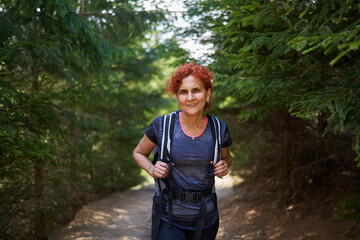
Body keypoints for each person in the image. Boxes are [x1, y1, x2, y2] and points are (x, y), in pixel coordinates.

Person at [132, 62, 232, 240]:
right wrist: (151, 169)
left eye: (196, 90)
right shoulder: (162, 125)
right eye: (183, 92)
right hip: (168, 217)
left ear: (208, 94)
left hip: (206, 218)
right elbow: (139, 153)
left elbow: (226, 159)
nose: (190, 97)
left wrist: (224, 166)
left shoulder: (218, 128)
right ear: (176, 96)